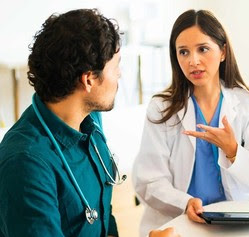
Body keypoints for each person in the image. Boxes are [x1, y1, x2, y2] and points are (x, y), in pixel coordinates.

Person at [0, 8, 179, 237]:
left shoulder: (90, 119)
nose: (120, 75)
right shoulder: (26, 164)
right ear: (89, 80)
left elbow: (103, 220)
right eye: (116, 67)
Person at [132, 9, 249, 236]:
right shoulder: (162, 108)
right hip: (178, 220)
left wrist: (233, 150)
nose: (193, 61)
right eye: (183, 52)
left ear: (223, 51)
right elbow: (149, 181)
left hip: (233, 221)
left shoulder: (248, 103)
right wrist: (185, 203)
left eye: (203, 49)